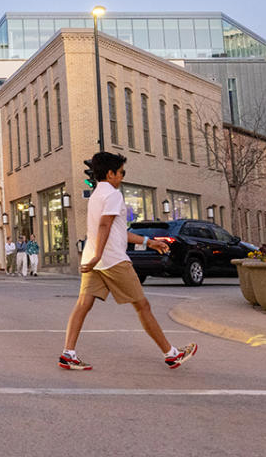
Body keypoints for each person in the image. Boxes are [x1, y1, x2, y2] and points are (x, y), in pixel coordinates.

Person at [60, 152, 197, 371]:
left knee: (83, 305)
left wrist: (148, 242)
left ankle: (68, 353)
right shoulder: (113, 195)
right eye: (121, 172)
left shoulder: (96, 195)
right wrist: (99, 255)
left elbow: (118, 231)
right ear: (110, 173)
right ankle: (171, 354)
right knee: (142, 305)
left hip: (95, 261)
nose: (123, 176)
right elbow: (104, 226)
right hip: (112, 260)